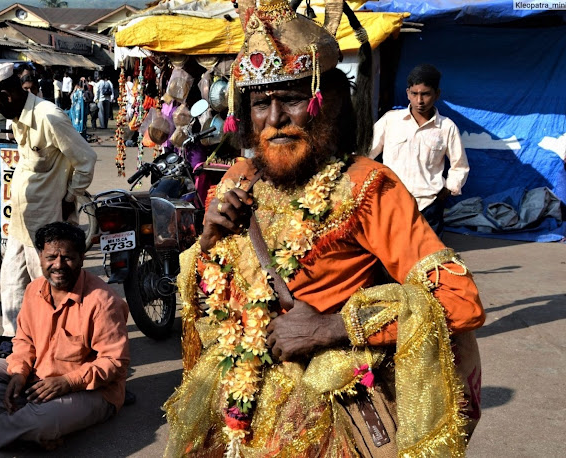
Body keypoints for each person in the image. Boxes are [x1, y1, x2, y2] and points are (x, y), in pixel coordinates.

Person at [165, 1, 485, 456]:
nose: (275, 120)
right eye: (260, 103)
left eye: (293, 99)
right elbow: (207, 301)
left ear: (327, 101)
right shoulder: (237, 177)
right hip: (229, 408)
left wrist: (332, 327)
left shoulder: (367, 188)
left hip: (318, 425)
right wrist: (208, 242)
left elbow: (459, 302)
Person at [0, 222, 129, 450]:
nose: (58, 265)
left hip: (91, 391)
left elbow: (115, 362)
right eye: (51, 257)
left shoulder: (103, 302)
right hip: (39, 378)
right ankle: (31, 422)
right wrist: (19, 374)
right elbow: (24, 340)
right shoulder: (34, 290)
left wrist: (67, 382)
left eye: (68, 258)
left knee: (46, 419)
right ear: (40, 257)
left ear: (82, 258)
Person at [0, 63, 97, 338]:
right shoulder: (16, 119)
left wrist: (70, 197)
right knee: (11, 283)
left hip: (47, 223)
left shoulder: (49, 116)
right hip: (19, 221)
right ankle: (13, 341)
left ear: (8, 94)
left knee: (47, 289)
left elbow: (86, 159)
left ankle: (54, 346)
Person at [369, 64, 470, 235]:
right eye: (415, 94)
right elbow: (367, 152)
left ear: (436, 94)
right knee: (394, 256)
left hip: (429, 205)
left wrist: (446, 191)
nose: (420, 101)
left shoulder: (446, 127)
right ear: (408, 93)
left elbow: (459, 166)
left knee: (428, 258)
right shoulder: (391, 120)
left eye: (425, 94)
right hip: (392, 201)